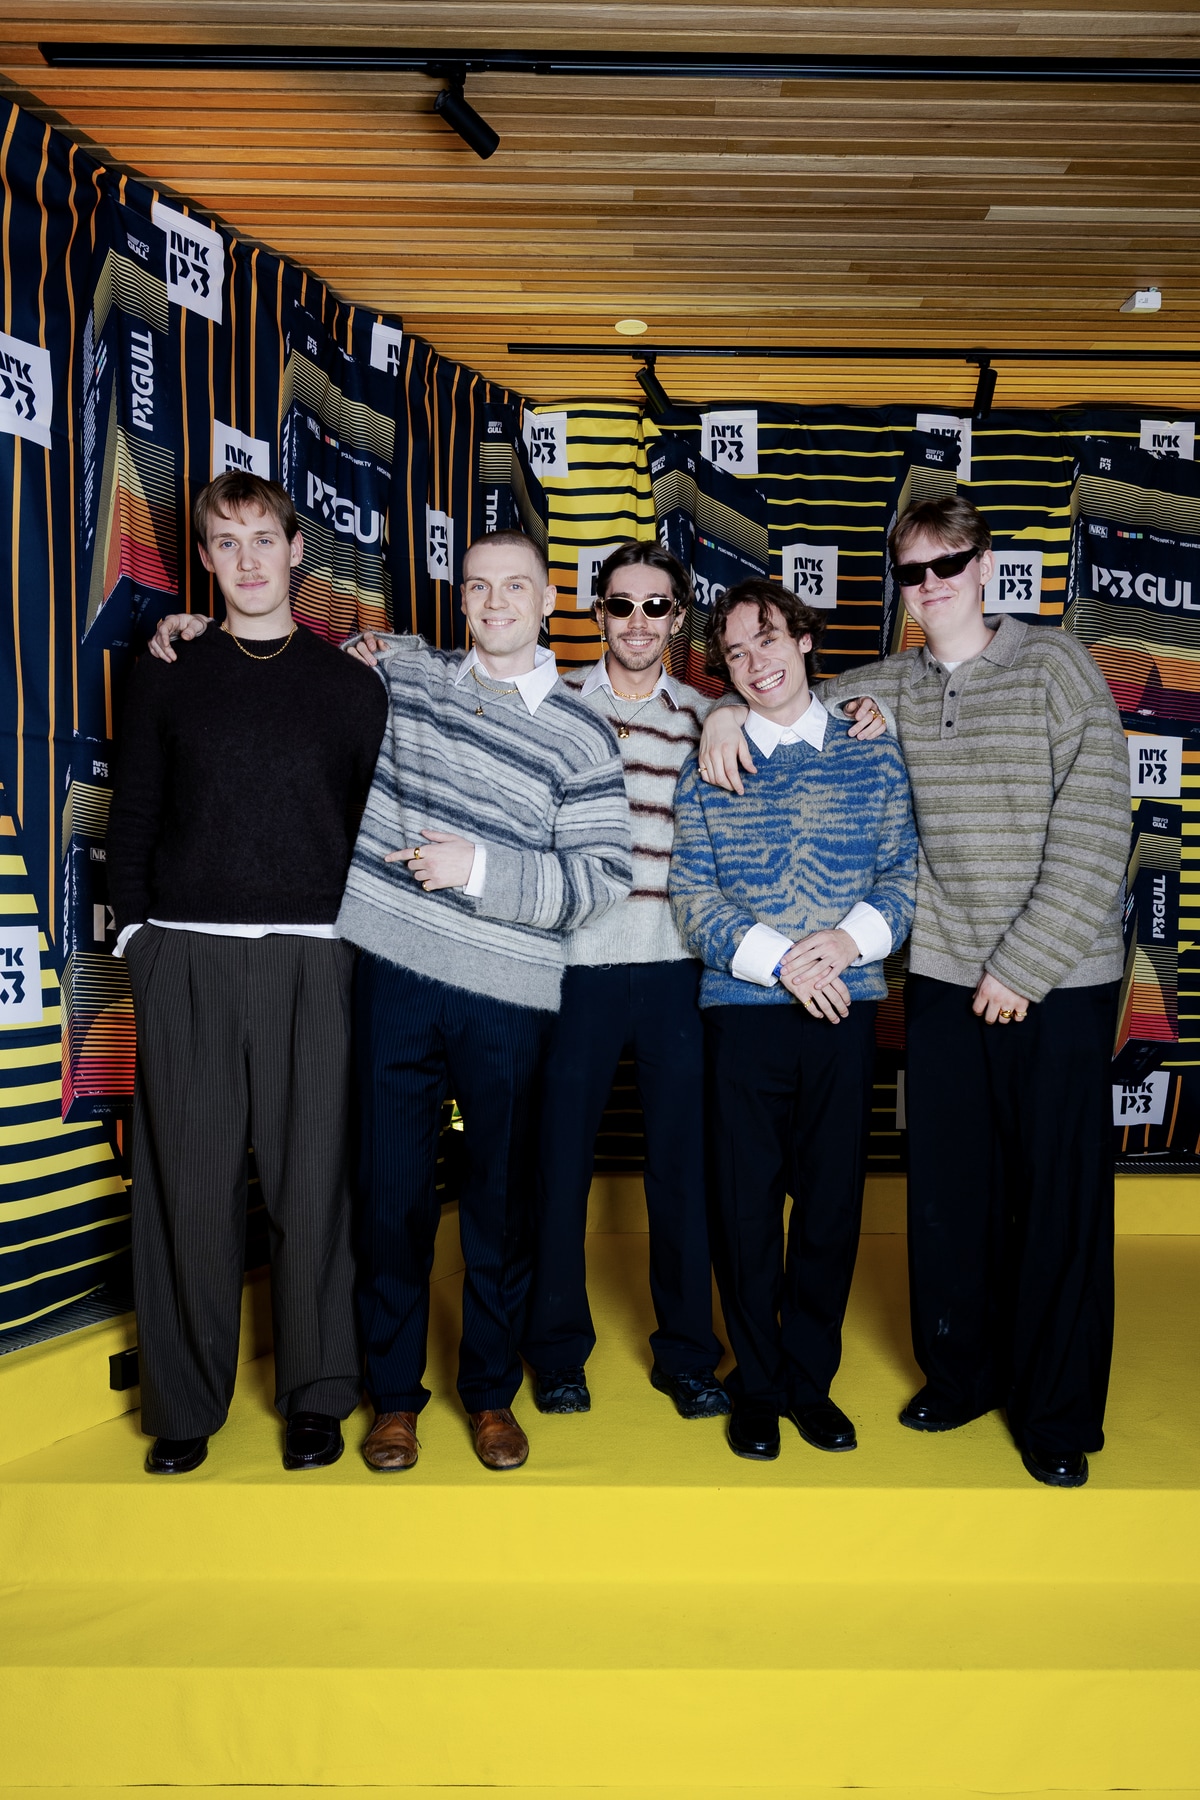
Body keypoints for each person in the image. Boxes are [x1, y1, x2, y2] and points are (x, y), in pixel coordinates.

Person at [698, 497, 1130, 1488]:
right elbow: (783, 690)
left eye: (949, 564)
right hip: (941, 977)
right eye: (912, 572)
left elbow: (1099, 827)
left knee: (1057, 1204)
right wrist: (723, 709)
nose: (931, 585)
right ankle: (963, 1375)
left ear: (984, 565)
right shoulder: (885, 685)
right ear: (897, 584)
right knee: (951, 1196)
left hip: (1055, 979)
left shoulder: (1057, 667)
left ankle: (1057, 1414)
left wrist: (1025, 965)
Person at [109, 471, 388, 1476]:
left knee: (314, 1187)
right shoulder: (166, 670)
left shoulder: (350, 688)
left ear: (297, 549)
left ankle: (318, 1394)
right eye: (226, 542)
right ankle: (185, 1403)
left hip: (315, 958)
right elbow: (133, 813)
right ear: (205, 558)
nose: (248, 559)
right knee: (187, 1187)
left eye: (264, 538)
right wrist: (137, 940)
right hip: (185, 955)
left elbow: (376, 832)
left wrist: (355, 949)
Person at [337, 531, 632, 1472]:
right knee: (389, 1198)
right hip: (395, 970)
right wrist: (189, 629)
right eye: (477, 588)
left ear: (549, 602)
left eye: (514, 587)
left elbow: (602, 878)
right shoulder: (410, 678)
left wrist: (480, 870)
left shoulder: (584, 732)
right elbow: (295, 658)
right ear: (459, 599)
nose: (494, 602)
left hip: (508, 991)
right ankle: (393, 1398)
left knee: (501, 1203)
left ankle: (492, 1394)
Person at [671, 579, 916, 1463]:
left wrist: (842, 947)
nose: (755, 663)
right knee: (744, 1211)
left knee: (830, 1209)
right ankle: (759, 1384)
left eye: (768, 640)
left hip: (844, 1009)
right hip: (744, 1015)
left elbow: (902, 873)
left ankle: (810, 1382)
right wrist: (782, 962)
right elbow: (692, 896)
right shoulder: (711, 762)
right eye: (735, 652)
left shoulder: (872, 750)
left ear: (806, 640)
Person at [521, 541, 727, 1421]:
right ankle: (556, 1354)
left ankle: (688, 1355)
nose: (637, 622)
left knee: (683, 1169)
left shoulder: (710, 715)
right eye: (620, 605)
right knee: (558, 1167)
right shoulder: (550, 702)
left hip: (676, 966)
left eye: (656, 606)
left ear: (678, 617)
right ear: (595, 612)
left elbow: (801, 711)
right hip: (574, 969)